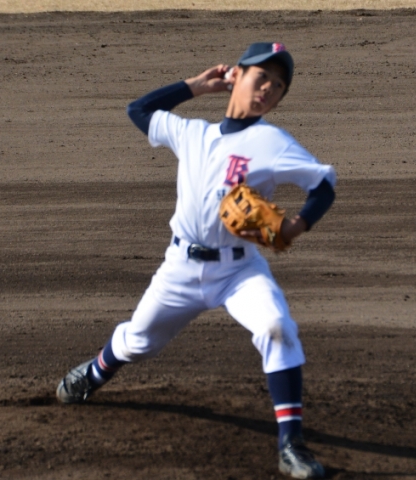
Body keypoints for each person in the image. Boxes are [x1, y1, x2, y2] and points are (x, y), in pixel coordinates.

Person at [56, 42, 336, 479]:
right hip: (180, 269)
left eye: (278, 86)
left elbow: (324, 184)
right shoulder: (192, 134)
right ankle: (93, 374)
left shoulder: (273, 142)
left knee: (276, 327)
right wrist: (195, 86)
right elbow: (138, 110)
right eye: (261, 76)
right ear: (236, 75)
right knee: (138, 341)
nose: (268, 88)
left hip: (239, 270)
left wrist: (298, 225)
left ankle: (291, 444)